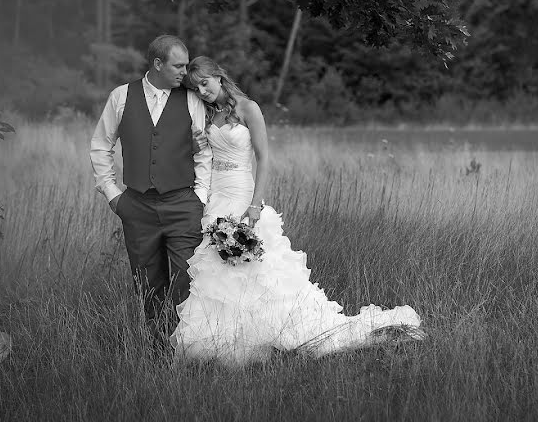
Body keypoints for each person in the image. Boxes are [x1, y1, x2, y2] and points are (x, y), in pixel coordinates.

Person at [169, 56, 423, 365]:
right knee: (219, 269)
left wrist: (254, 206)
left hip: (242, 193)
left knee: (258, 269)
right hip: (217, 197)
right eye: (196, 88)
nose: (202, 91)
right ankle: (225, 339)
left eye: (205, 83)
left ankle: (276, 332)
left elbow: (263, 158)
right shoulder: (207, 115)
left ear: (219, 77)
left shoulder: (248, 108)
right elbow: (204, 159)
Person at [90, 35, 212, 344]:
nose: (185, 72)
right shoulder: (121, 96)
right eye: (178, 66)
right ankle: (159, 354)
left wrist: (198, 197)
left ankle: (188, 350)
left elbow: (205, 152)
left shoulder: (190, 99)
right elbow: (100, 147)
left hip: (183, 204)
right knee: (148, 285)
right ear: (157, 64)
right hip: (137, 206)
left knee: (188, 279)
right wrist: (112, 193)